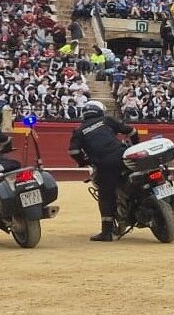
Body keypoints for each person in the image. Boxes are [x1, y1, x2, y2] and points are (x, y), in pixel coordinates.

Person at [68, 100, 139, 241]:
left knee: (106, 196)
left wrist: (83, 162)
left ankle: (106, 233)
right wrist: (136, 145)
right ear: (100, 110)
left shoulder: (79, 131)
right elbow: (132, 131)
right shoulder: (106, 120)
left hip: (105, 164)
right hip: (124, 156)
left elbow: (74, 151)